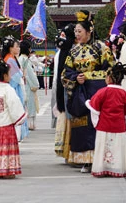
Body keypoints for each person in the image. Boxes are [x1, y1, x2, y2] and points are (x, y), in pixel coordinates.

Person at [62, 11, 114, 172]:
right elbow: (65, 74)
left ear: (89, 31)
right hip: (80, 95)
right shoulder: (73, 51)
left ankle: (101, 159)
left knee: (98, 126)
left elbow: (111, 70)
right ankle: (86, 160)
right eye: (76, 31)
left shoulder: (101, 48)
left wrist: (89, 76)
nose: (77, 34)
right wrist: (76, 78)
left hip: (97, 94)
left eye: (80, 31)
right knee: (83, 128)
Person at [85, 62, 126, 178]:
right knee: (118, 149)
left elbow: (94, 110)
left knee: (103, 148)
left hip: (103, 127)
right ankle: (118, 168)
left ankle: (102, 168)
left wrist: (97, 124)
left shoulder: (102, 92)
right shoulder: (124, 94)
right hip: (119, 128)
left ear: (109, 78)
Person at [51, 24, 75, 158]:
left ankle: (66, 150)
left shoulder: (62, 50)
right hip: (70, 88)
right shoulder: (71, 49)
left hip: (61, 87)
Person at [1, 36, 29, 141]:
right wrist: (22, 74)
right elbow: (16, 76)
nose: (18, 48)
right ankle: (17, 134)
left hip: (15, 86)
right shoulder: (10, 59)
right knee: (16, 110)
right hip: (14, 87)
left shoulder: (11, 58)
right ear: (10, 48)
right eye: (16, 46)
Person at [19, 40, 40, 131]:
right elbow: (30, 74)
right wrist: (35, 84)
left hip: (24, 83)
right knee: (30, 105)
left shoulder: (20, 59)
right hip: (28, 85)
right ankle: (31, 124)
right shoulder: (25, 60)